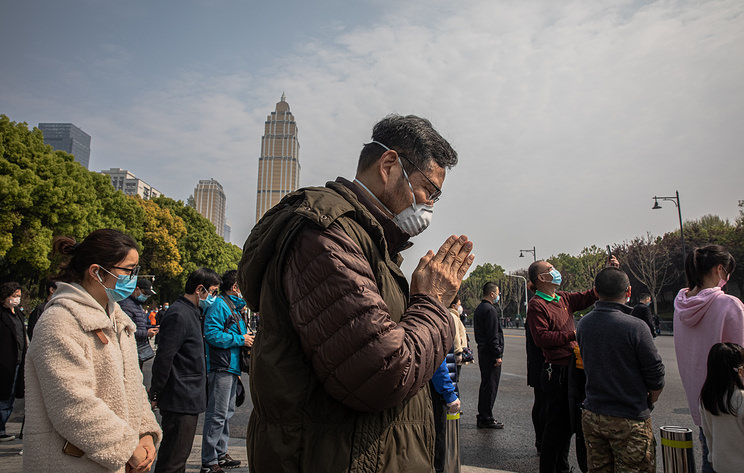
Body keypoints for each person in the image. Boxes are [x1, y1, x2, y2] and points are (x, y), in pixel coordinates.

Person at [238, 114, 474, 472]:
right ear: (390, 164)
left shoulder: (372, 241)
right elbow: (382, 373)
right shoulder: (327, 236)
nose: (428, 206)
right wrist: (431, 303)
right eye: (430, 190)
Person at [23, 229, 161, 472]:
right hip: (71, 462)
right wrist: (128, 449)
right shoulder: (60, 321)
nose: (133, 278)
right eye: (128, 270)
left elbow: (134, 386)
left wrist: (145, 433)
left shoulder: (120, 320)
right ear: (96, 271)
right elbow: (72, 405)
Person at [577, 267, 665, 472]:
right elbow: (655, 373)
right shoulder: (635, 326)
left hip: (593, 414)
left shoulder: (584, 324)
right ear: (629, 292)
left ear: (596, 292)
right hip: (629, 417)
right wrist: (652, 397)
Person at [526, 259, 607, 473]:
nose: (556, 271)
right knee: (556, 427)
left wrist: (609, 271)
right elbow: (541, 338)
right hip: (557, 371)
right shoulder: (537, 304)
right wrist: (573, 334)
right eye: (550, 269)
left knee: (569, 426)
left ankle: (562, 467)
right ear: (541, 278)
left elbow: (590, 296)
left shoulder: (563, 298)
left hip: (573, 368)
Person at [673, 245, 744, 473]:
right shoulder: (729, 305)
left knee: (712, 458)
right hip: (735, 406)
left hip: (703, 404)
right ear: (720, 270)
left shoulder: (680, 306)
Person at [150, 268, 221, 473]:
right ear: (200, 289)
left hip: (188, 395)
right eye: (213, 292)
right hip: (180, 395)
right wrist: (156, 391)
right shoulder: (179, 313)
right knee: (173, 459)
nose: (213, 298)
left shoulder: (192, 312)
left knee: (179, 456)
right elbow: (164, 357)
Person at [201, 270, 253, 473]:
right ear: (235, 287)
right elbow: (212, 334)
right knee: (217, 413)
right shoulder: (219, 306)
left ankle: (220, 454)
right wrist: (242, 339)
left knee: (227, 412)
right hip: (220, 366)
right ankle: (209, 460)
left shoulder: (233, 307)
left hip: (231, 367)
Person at [700, 342, 744, 473]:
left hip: (720, 464)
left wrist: (711, 457)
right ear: (739, 370)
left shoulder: (706, 398)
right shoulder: (741, 398)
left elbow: (707, 433)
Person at [473, 282, 505, 429]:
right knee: (491, 386)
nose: (498, 295)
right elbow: (493, 335)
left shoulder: (480, 308)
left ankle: (483, 415)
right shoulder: (490, 310)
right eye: (497, 293)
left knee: (486, 384)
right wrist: (497, 354)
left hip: (483, 351)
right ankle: (487, 417)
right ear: (492, 293)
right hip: (490, 354)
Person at [1, 282, 26, 442]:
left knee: (10, 396)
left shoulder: (17, 313)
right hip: (4, 360)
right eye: (14, 296)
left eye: (18, 296)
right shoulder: (2, 314)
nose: (16, 299)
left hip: (17, 360)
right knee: (3, 395)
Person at [119, 278, 159, 369]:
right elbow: (125, 331)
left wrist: (153, 327)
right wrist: (146, 333)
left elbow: (141, 324)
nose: (146, 296)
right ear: (136, 289)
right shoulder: (126, 305)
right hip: (130, 350)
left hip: (137, 350)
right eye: (145, 293)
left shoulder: (137, 305)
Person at [431, 358, 461, 473]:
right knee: (438, 438)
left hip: (441, 387)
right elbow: (438, 363)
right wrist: (449, 394)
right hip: (438, 391)